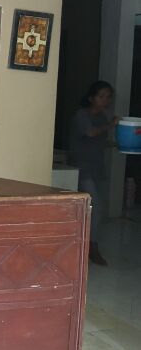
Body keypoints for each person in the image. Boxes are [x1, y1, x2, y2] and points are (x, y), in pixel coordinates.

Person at [68, 81, 119, 266]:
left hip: (97, 167)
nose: (106, 100)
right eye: (101, 96)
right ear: (91, 98)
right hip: (82, 167)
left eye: (108, 97)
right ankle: (91, 247)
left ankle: (88, 245)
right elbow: (90, 133)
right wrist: (111, 125)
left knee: (95, 208)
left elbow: (99, 140)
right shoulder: (82, 114)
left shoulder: (103, 117)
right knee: (95, 206)